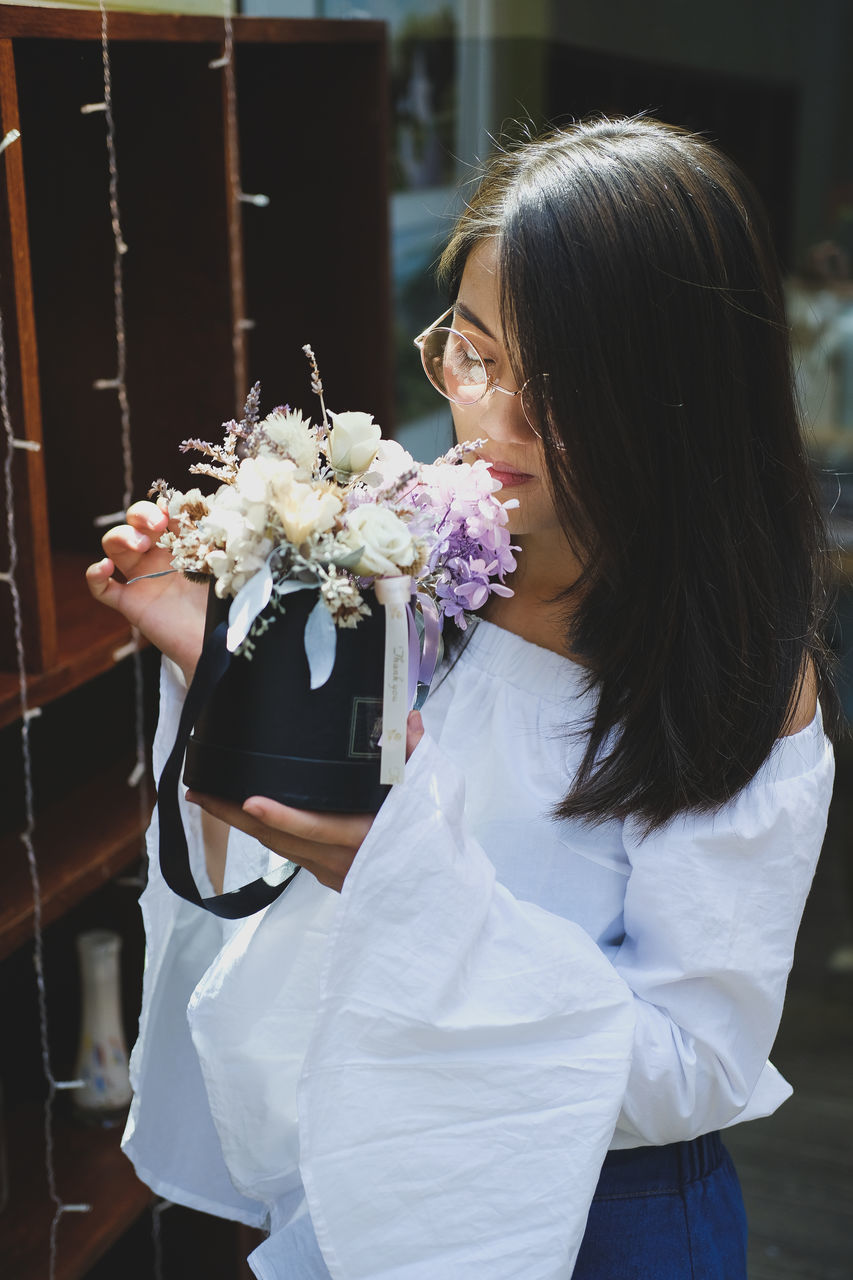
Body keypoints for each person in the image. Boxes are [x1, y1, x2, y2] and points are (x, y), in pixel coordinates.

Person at [87, 116, 838, 1279]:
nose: (498, 415)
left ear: (683, 391)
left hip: (598, 1213)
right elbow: (279, 914)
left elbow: (693, 1061)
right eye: (474, 352)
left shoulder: (730, 666)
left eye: (568, 377)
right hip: (366, 1167)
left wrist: (395, 881)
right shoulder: (405, 558)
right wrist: (225, 667)